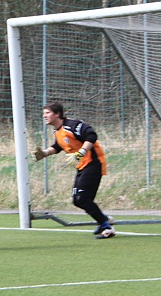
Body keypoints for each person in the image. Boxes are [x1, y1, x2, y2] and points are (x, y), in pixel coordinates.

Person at [34, 102, 114, 239]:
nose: (44, 116)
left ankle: (107, 227)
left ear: (57, 114)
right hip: (82, 166)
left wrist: (81, 152)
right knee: (78, 201)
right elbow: (58, 146)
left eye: (47, 113)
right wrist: (45, 153)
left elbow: (91, 136)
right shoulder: (58, 131)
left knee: (83, 198)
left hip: (93, 163)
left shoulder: (72, 125)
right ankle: (104, 219)